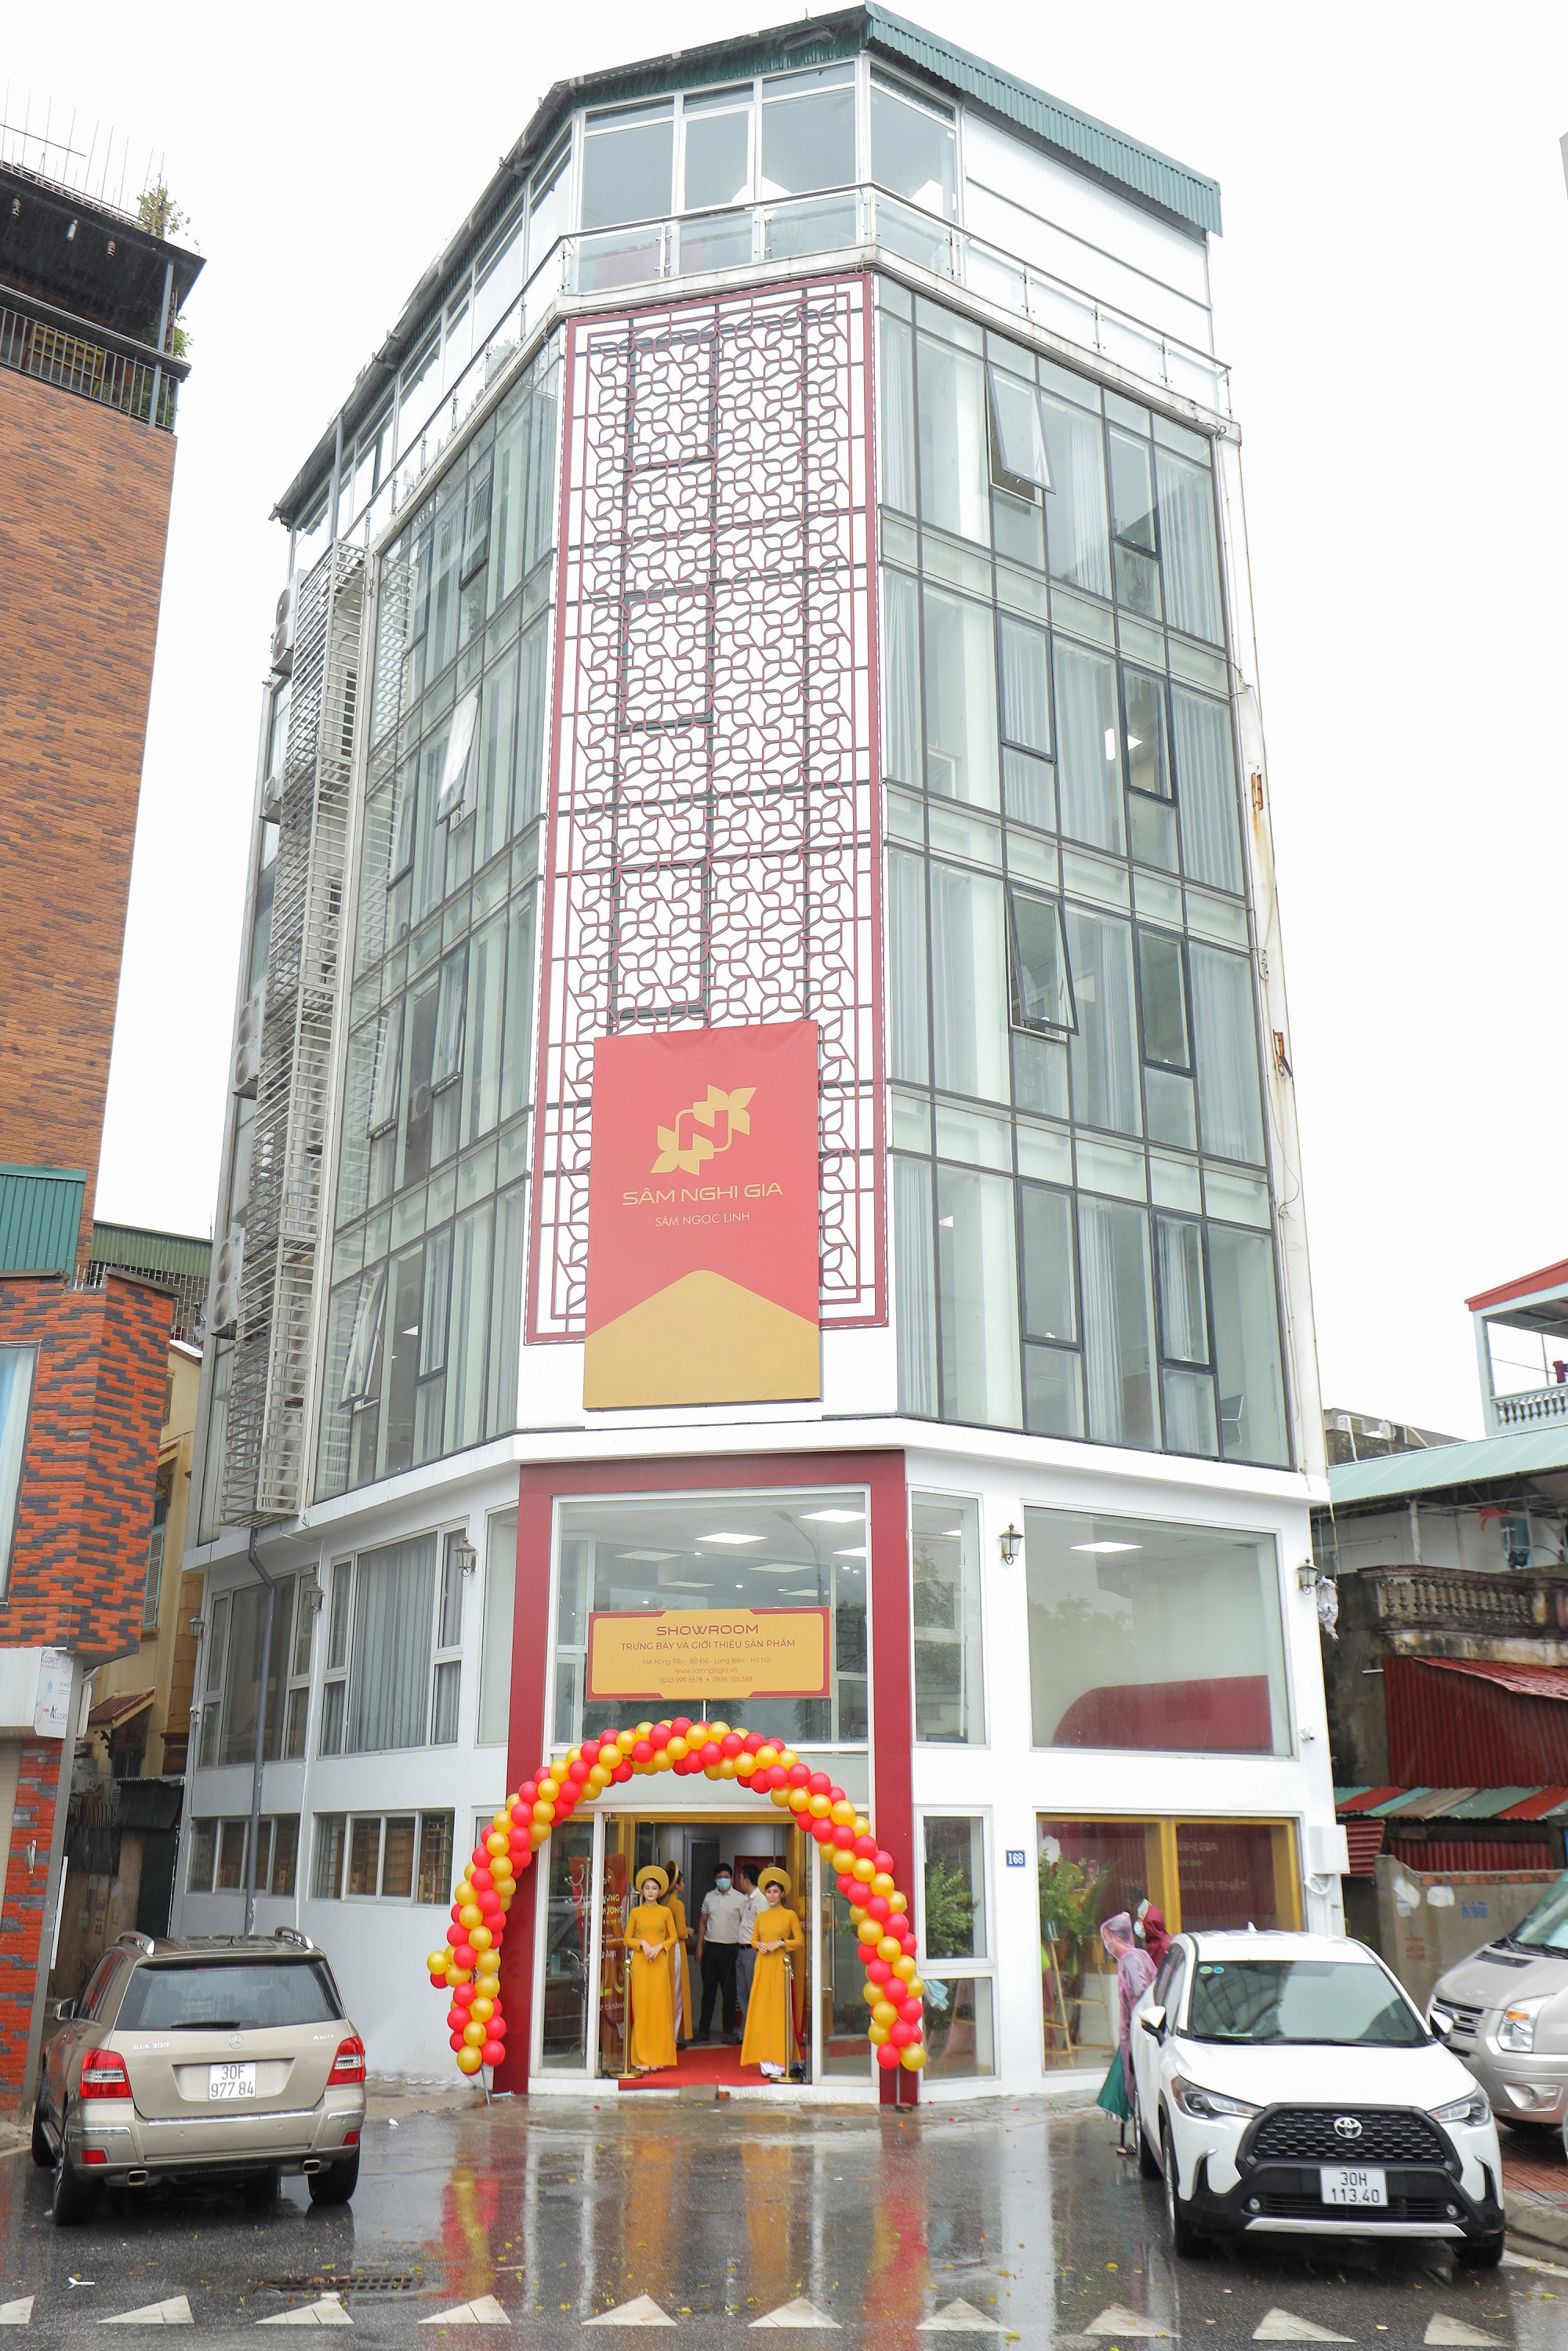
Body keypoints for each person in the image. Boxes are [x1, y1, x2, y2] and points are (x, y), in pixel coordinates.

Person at [1094, 1911, 1156, 2154]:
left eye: (1108, 1939)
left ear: (1118, 1938)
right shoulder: (1137, 1956)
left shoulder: (1130, 1959)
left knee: (1139, 2084)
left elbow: (1140, 1992)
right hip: (1138, 2032)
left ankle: (1142, 2141)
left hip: (1138, 2033)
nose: (1107, 1944)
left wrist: (1133, 2028)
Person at [740, 1867, 803, 2081]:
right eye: (769, 1892)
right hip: (762, 1965)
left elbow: (799, 1942)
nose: (772, 1896)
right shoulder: (761, 1916)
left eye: (776, 1892)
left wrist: (781, 1943)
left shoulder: (790, 1915)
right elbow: (753, 1940)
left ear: (782, 1893)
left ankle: (780, 2060)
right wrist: (759, 1945)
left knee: (779, 2012)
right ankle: (765, 2061)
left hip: (780, 1966)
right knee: (762, 2011)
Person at [622, 1867, 678, 2074]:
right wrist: (642, 1943)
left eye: (654, 1888)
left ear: (659, 1891)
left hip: (659, 1962)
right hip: (641, 1963)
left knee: (659, 2009)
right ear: (642, 1890)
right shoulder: (636, 1912)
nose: (651, 1891)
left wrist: (660, 1947)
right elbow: (627, 1939)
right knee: (641, 2009)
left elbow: (674, 1937)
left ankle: (658, 2057)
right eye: (647, 1888)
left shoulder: (666, 1912)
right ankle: (641, 2057)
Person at [695, 1863, 748, 2043]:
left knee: (729, 1993)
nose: (723, 1880)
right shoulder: (709, 1897)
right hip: (711, 1948)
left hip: (731, 1949)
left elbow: (746, 1924)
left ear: (732, 1879)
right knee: (708, 1992)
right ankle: (703, 2031)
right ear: (715, 1879)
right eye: (719, 1877)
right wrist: (699, 1947)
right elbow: (703, 1923)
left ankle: (728, 2032)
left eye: (726, 1877)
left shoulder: (741, 1899)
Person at [664, 1867, 693, 2046]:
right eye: (682, 1882)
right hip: (675, 1950)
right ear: (677, 1885)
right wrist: (688, 1931)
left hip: (664, 1950)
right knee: (677, 1995)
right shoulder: (677, 1904)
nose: (684, 1885)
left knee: (666, 1993)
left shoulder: (662, 1901)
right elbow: (681, 1932)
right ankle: (672, 2038)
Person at [733, 1865, 765, 2025]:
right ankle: (745, 2030)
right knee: (742, 1992)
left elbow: (764, 1927)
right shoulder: (746, 1900)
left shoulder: (761, 1900)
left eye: (740, 1879)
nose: (739, 1882)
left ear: (746, 1881)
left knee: (753, 1991)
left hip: (752, 1951)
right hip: (741, 1949)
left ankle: (756, 2028)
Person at [1136, 1899, 1171, 1970]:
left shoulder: (1165, 1946)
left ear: (1149, 1924)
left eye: (1140, 1920)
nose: (1138, 1923)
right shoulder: (1151, 1943)